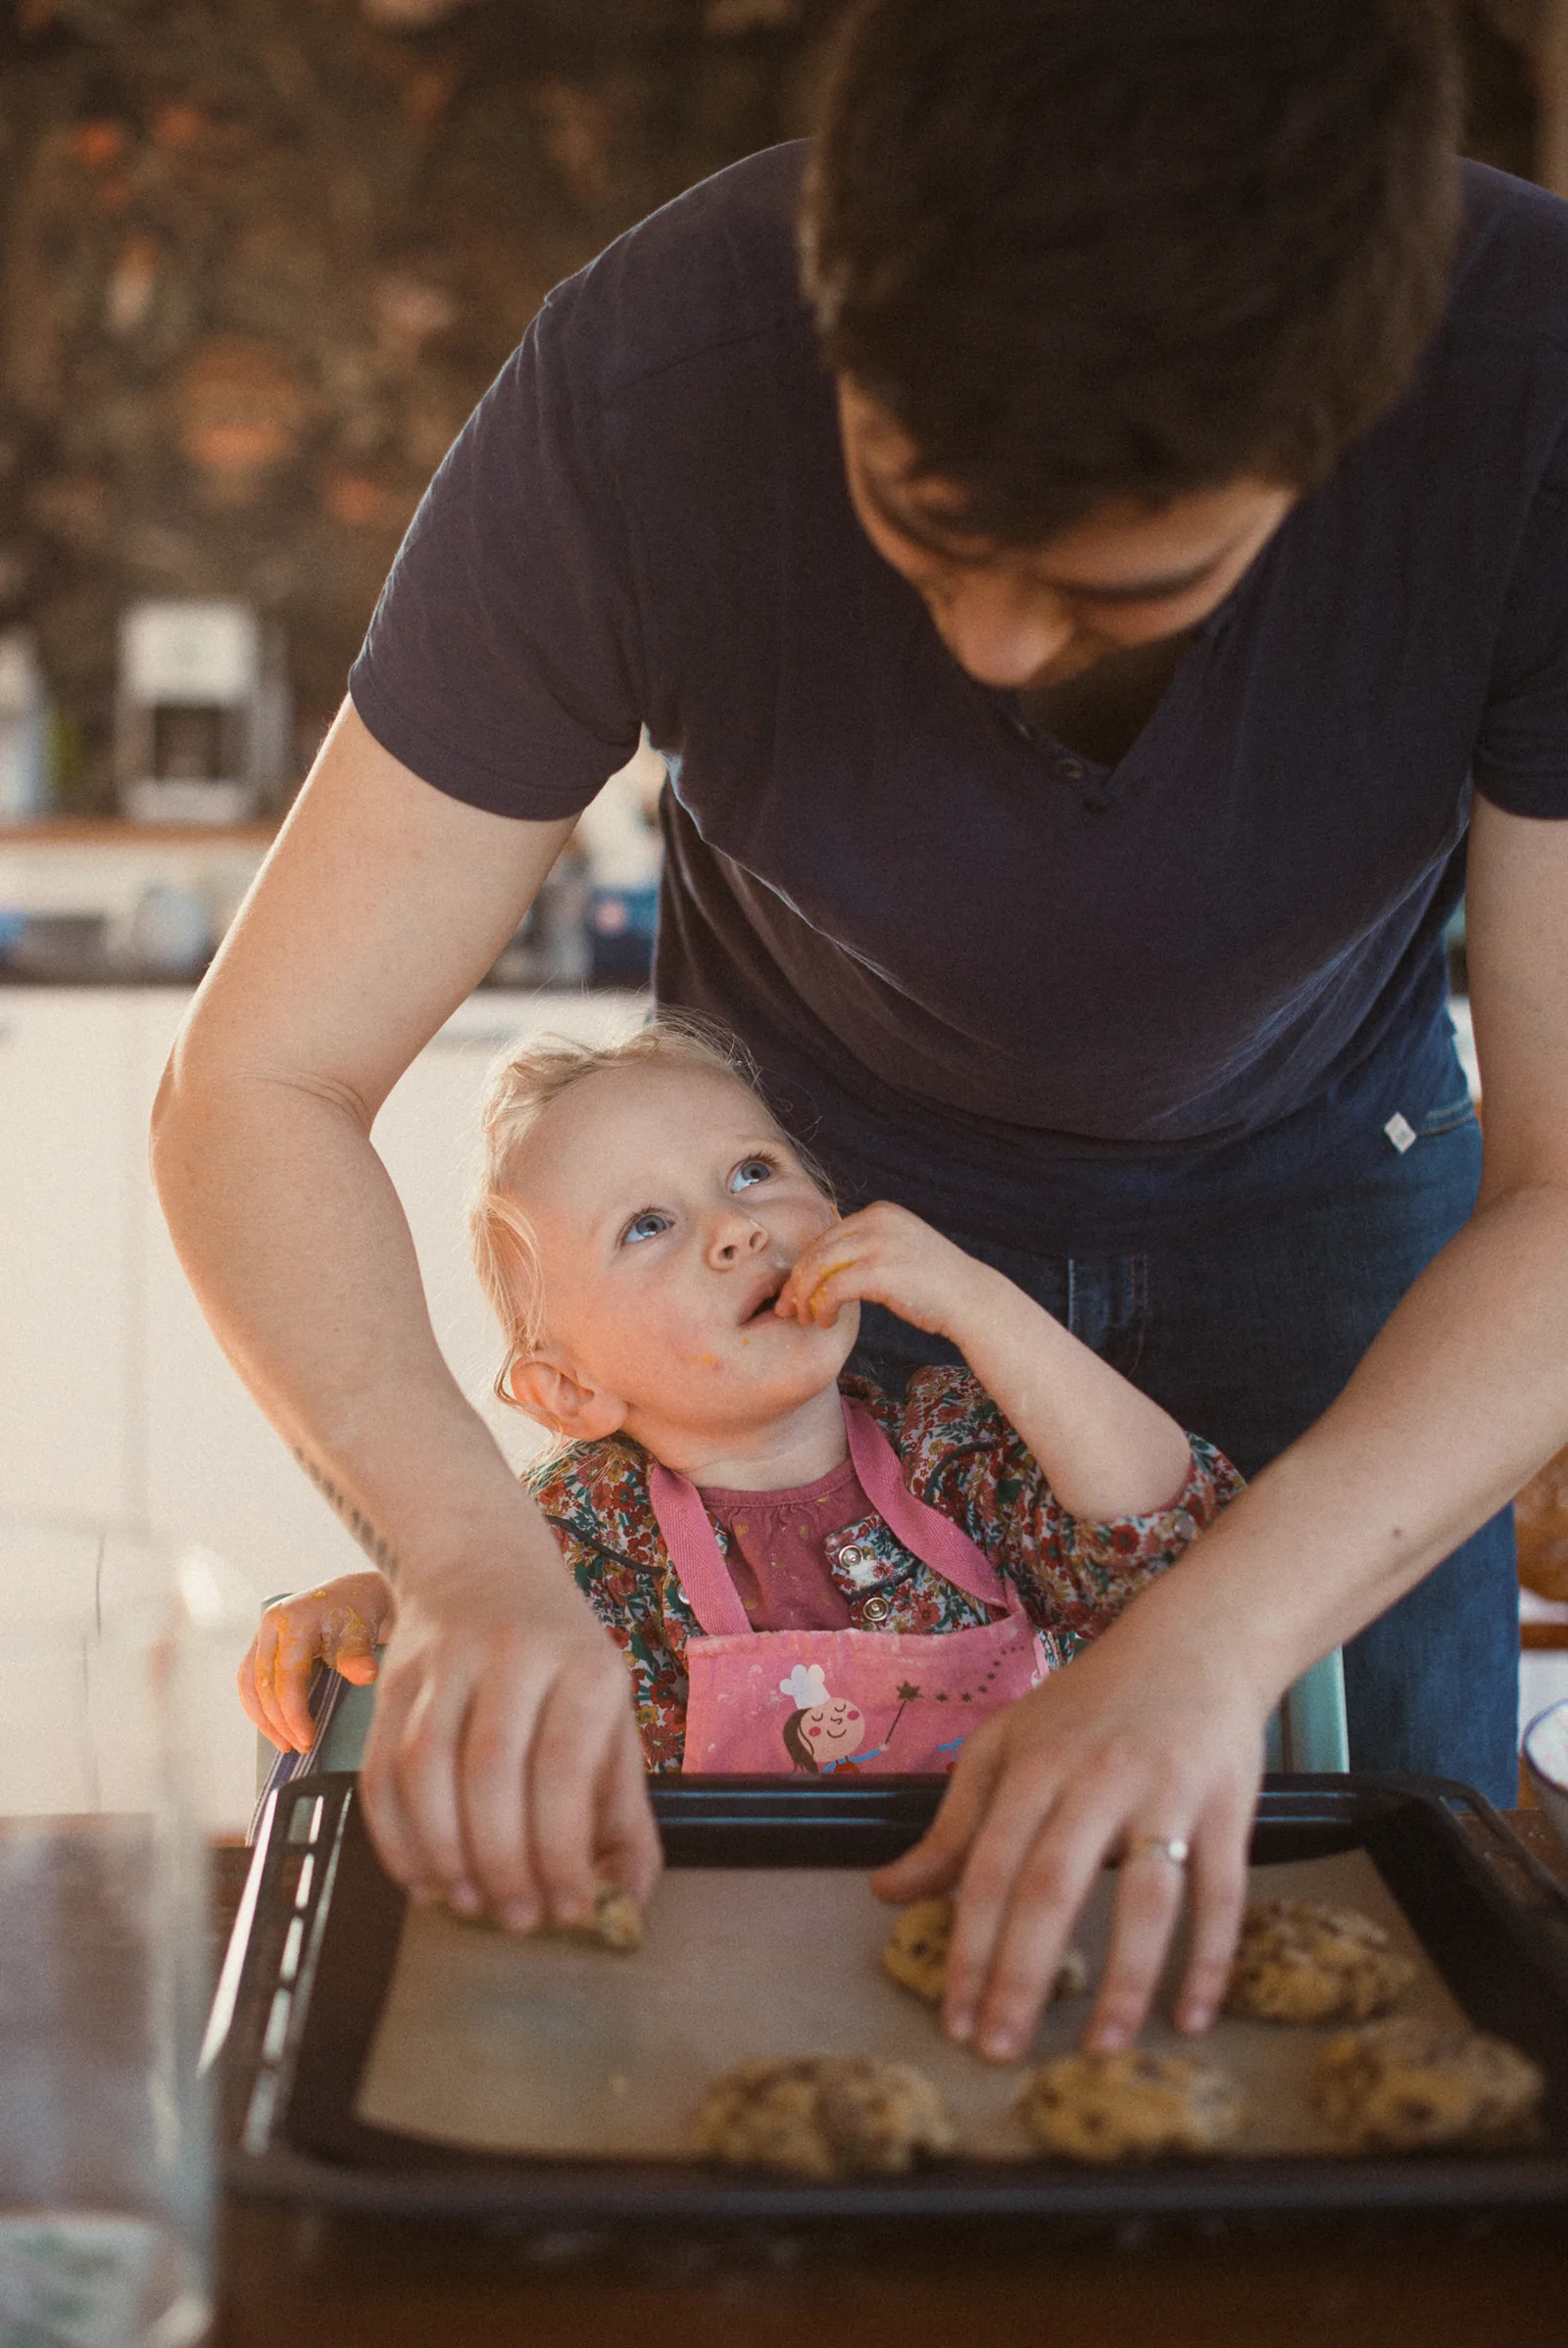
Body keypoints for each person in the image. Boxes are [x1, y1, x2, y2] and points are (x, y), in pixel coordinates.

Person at [151, 0, 1568, 2068]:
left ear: (1354, 420)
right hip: (818, 1221)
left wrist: (1216, 1638)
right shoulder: (653, 384)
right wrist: (460, 1556)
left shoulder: (1527, 407)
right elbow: (253, 1083)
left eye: (1119, 583)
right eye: (915, 511)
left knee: (1379, 1997)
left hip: (1329, 1238)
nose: (985, 651)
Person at [239, 1023, 1241, 1843]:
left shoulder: (958, 1448)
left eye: (754, 1170)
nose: (736, 1225)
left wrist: (980, 1303)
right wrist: (374, 1604)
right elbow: (475, 1619)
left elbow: (1170, 1536)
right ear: (569, 1389)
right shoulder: (576, 1530)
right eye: (646, 1225)